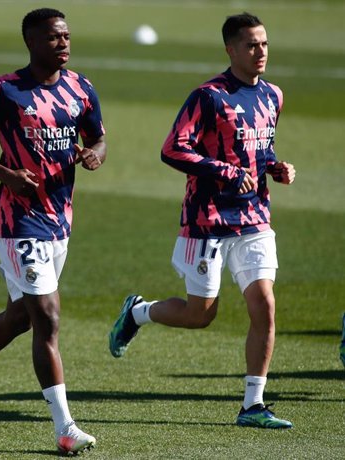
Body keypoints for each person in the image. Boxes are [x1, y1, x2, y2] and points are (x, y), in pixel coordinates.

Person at [108, 12, 296, 429]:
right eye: (251, 45)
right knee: (201, 314)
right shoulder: (208, 96)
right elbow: (173, 150)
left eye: (264, 43)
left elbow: (258, 149)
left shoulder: (273, 96)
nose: (260, 51)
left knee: (264, 304)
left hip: (254, 217)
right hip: (207, 219)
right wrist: (225, 171)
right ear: (231, 50)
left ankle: (253, 405)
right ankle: (138, 313)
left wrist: (274, 167)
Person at [0, 8, 105, 455]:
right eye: (53, 37)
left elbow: (98, 137)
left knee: (20, 317)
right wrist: (5, 174)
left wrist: (95, 154)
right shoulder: (5, 90)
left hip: (60, 220)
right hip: (18, 222)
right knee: (46, 317)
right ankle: (65, 428)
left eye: (66, 35)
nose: (63, 43)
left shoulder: (81, 88)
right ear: (31, 42)